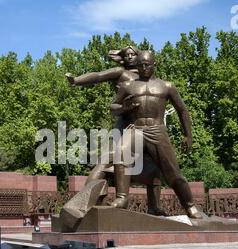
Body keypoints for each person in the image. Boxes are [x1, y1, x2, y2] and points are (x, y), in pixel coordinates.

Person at [66, 46, 167, 215]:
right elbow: (98, 76)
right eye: (126, 55)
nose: (129, 57)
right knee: (107, 161)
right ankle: (83, 203)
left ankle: (154, 207)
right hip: (126, 125)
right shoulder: (121, 73)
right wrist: (76, 80)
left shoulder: (150, 78)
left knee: (154, 167)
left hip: (148, 129)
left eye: (132, 54)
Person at [110, 50, 204, 219]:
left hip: (157, 130)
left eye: (147, 65)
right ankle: (122, 197)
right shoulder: (128, 86)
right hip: (136, 129)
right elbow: (113, 108)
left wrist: (188, 135)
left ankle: (190, 206)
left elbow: (182, 110)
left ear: (155, 65)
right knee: (121, 153)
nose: (144, 68)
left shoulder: (166, 86)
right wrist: (125, 108)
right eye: (140, 65)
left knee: (172, 172)